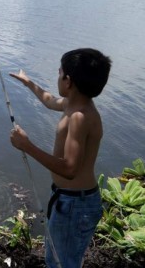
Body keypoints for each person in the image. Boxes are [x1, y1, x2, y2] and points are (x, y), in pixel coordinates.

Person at [9, 48, 111, 268]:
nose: (57, 76)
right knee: (59, 257)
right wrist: (28, 82)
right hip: (71, 201)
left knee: (61, 263)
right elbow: (48, 100)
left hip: (76, 204)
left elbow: (69, 169)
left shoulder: (79, 118)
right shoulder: (74, 105)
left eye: (59, 72)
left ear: (68, 81)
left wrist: (27, 146)